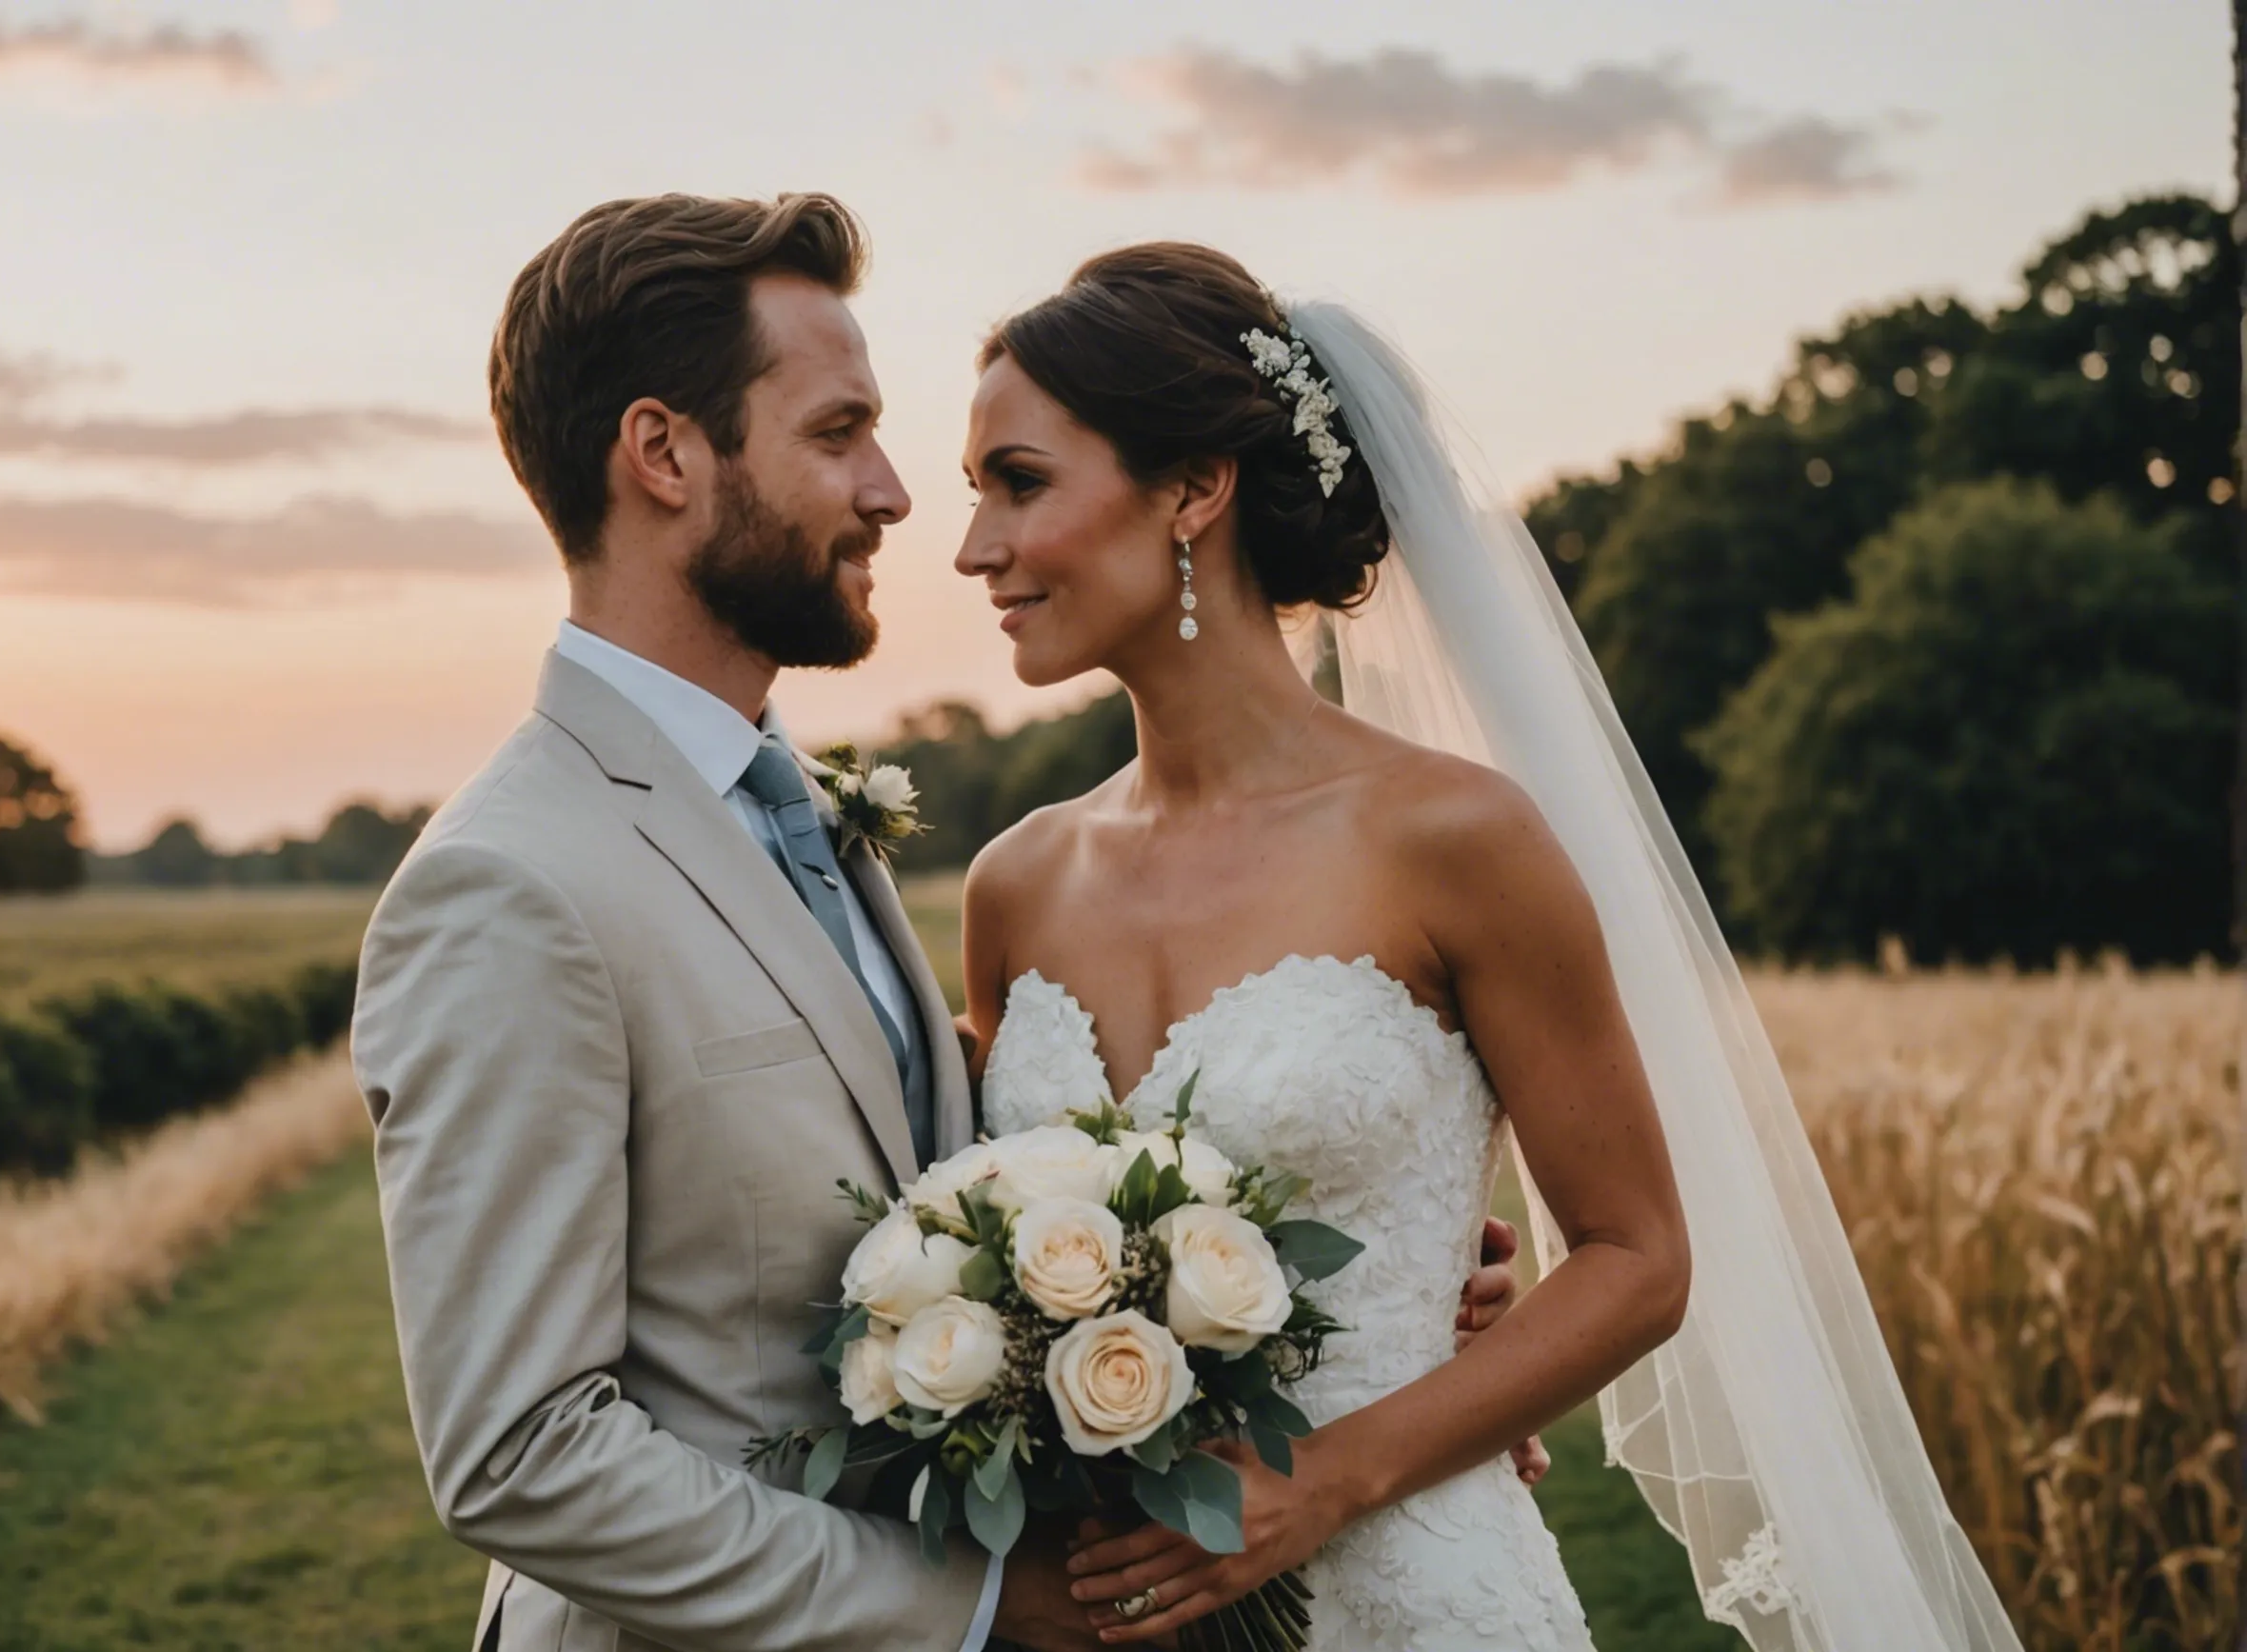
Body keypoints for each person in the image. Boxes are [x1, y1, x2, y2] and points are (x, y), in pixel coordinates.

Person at [349, 196, 1528, 1652]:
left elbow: (968, 1187)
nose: (900, 496)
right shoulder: (508, 886)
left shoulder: (800, 812)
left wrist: (1331, 1312)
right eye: (840, 432)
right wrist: (972, 1604)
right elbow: (519, 1451)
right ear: (664, 453)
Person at [956, 243, 2022, 1652]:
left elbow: (1639, 1254)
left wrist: (1323, 1471)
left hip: (1417, 1590)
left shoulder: (1454, 836)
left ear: (1194, 488)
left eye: (1018, 481)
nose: (974, 546)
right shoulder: (1013, 881)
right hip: (1110, 1610)